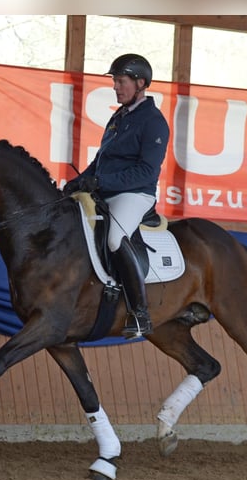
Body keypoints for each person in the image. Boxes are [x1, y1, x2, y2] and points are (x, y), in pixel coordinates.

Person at [63, 53, 170, 338]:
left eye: (121, 81)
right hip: (106, 188)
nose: (116, 87)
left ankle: (140, 312)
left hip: (134, 194)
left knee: (114, 238)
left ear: (140, 83)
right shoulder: (119, 116)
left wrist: (100, 182)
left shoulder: (154, 122)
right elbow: (102, 158)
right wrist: (79, 181)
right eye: (115, 81)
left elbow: (146, 172)